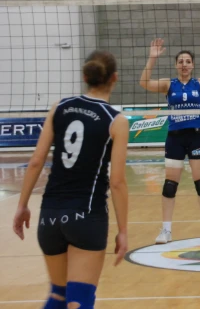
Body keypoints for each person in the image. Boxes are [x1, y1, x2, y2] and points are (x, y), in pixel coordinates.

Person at [13, 51, 129, 309]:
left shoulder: (59, 107)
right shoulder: (116, 121)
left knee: (58, 294)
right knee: (80, 300)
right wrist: (123, 231)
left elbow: (35, 161)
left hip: (50, 216)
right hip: (87, 215)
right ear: (114, 78)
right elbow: (118, 182)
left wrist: (22, 206)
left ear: (85, 76)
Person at [140, 38, 200, 244]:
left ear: (192, 65)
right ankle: (166, 230)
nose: (184, 64)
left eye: (187, 61)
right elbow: (144, 83)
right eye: (181, 61)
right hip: (175, 138)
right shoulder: (169, 84)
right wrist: (151, 58)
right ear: (176, 65)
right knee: (170, 185)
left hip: (196, 136)